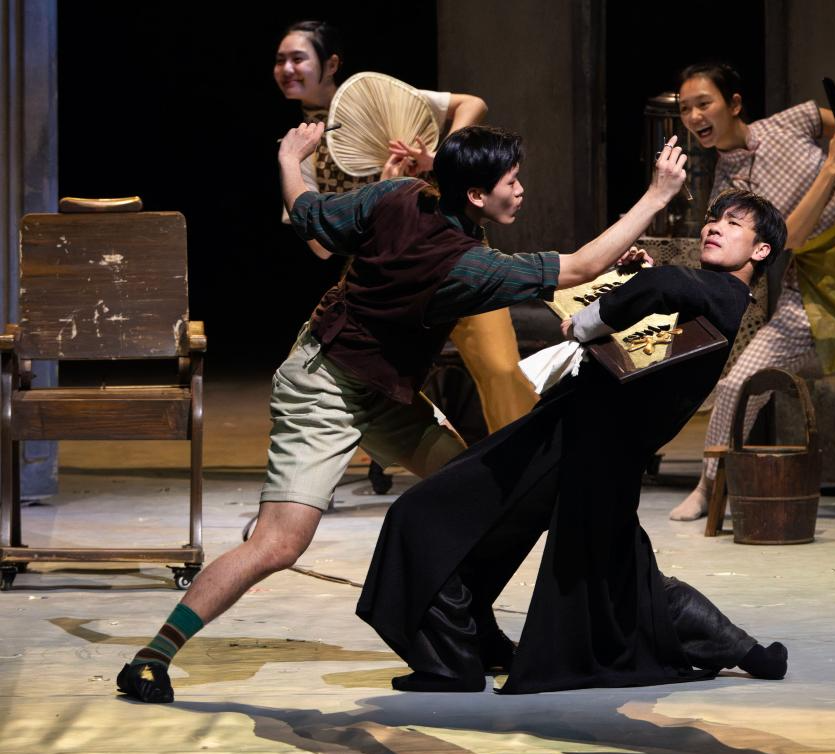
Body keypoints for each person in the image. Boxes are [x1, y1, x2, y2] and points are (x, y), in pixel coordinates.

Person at [115, 125, 693, 703]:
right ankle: (153, 656)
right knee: (279, 545)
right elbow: (577, 267)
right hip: (326, 388)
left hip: (387, 394)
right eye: (510, 182)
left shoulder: (403, 195)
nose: (520, 191)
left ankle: (469, 631)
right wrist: (657, 195)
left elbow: (309, 212)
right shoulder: (459, 261)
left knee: (477, 499)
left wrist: (291, 158)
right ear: (474, 195)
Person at [357, 188, 789, 694]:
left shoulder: (725, 294)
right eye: (713, 218)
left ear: (760, 252)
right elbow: (657, 307)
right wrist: (628, 282)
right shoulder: (708, 296)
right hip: (582, 440)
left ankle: (456, 656)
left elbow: (667, 283)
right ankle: (748, 652)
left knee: (429, 517)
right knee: (616, 577)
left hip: (578, 442)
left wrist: (590, 321)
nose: (714, 227)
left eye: (734, 224)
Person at [669, 63, 835, 523]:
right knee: (738, 382)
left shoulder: (790, 122)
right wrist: (832, 164)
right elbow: (789, 238)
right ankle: (708, 484)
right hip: (811, 283)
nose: (694, 117)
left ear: (733, 105)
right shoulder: (731, 189)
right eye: (685, 109)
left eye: (703, 103)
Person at [274, 19, 537, 433]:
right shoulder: (303, 145)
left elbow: (472, 104)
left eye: (298, 58)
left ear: (331, 64)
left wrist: (443, 161)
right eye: (280, 60)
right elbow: (320, 247)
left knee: (502, 369)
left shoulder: (375, 96)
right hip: (387, 281)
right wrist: (382, 194)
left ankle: (528, 472)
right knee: (362, 374)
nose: (287, 69)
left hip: (453, 254)